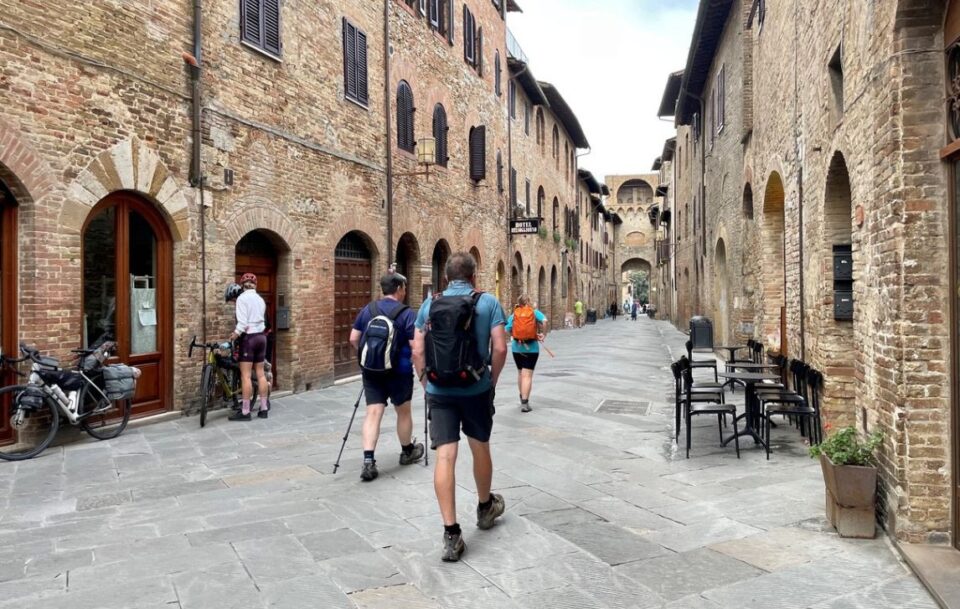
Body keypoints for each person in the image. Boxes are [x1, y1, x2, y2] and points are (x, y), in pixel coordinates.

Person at [412, 252, 508, 563]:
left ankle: (451, 534)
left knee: (446, 456)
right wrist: (491, 380)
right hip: (476, 387)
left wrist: (426, 382)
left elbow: (416, 349)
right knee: (480, 447)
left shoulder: (429, 304)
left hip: (440, 389)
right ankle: (484, 508)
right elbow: (500, 346)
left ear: (446, 278)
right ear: (473, 276)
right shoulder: (488, 302)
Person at [349, 270, 425, 482]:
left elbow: (353, 338)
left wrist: (369, 356)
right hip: (399, 372)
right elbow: (414, 346)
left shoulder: (368, 309)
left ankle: (368, 461)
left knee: (373, 412)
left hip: (371, 371)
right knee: (403, 412)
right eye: (404, 287)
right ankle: (407, 450)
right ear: (399, 289)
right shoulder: (407, 313)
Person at [228, 273, 270, 421]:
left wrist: (235, 334)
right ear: (255, 285)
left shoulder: (242, 298)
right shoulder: (260, 300)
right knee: (260, 374)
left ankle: (245, 412)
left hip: (249, 338)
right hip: (261, 337)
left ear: (242, 285)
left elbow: (243, 322)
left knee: (245, 375)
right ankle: (264, 409)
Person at [505, 295, 546, 413]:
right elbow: (544, 321)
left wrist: (515, 335)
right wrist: (543, 334)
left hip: (516, 349)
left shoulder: (514, 315)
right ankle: (525, 402)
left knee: (520, 373)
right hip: (531, 349)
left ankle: (522, 397)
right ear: (528, 302)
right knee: (527, 375)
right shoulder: (534, 312)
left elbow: (506, 329)